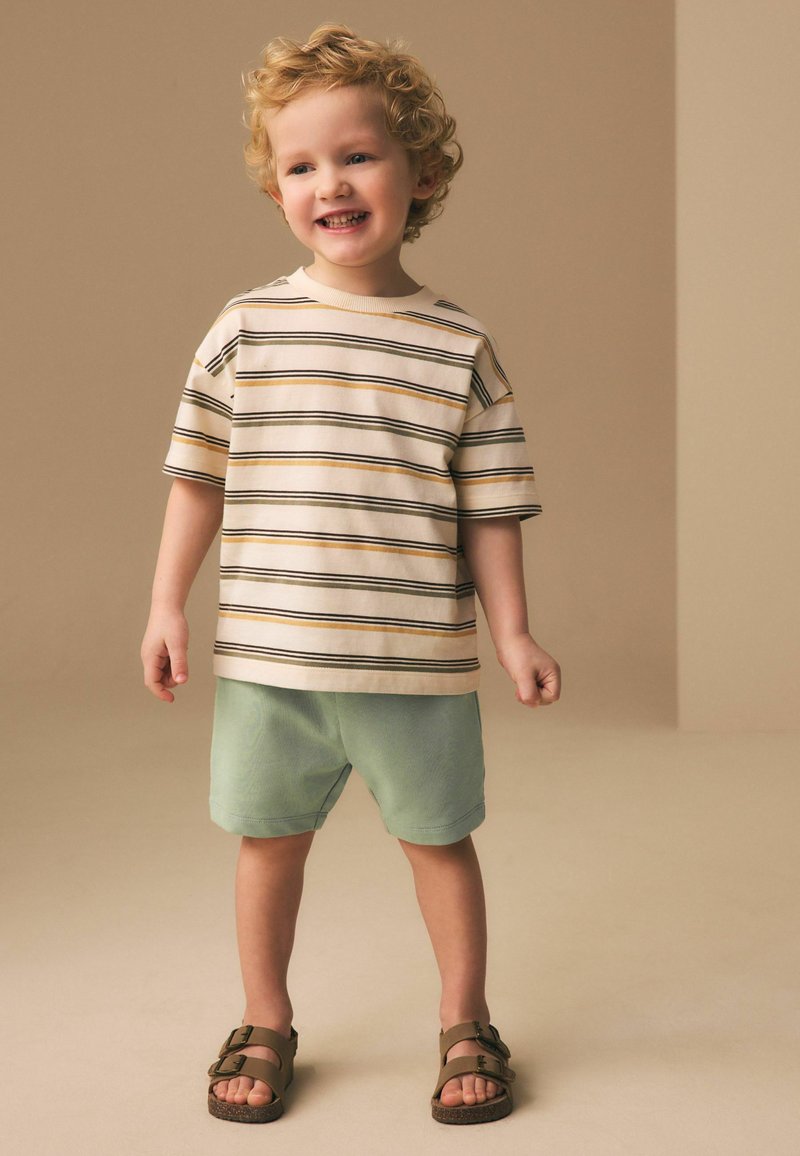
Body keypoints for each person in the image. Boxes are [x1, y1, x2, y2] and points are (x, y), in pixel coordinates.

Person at [140, 23, 561, 1127]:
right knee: (265, 845)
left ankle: (465, 1017)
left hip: (416, 667)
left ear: (419, 170)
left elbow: (491, 508)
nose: (330, 182)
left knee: (440, 842)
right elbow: (198, 479)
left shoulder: (457, 347)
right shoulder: (246, 330)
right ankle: (264, 1016)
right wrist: (163, 605)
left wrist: (512, 631)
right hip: (272, 665)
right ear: (276, 186)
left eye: (358, 155)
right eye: (300, 164)